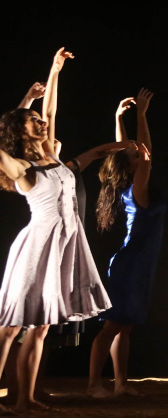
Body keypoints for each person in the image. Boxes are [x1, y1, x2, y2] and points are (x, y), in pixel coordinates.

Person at [0, 48, 113, 412]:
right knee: (11, 326)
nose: (42, 122)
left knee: (42, 326)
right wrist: (23, 103)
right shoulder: (21, 166)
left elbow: (51, 110)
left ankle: (26, 398)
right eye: (32, 120)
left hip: (65, 244)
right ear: (21, 129)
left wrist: (55, 69)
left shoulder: (53, 155)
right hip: (37, 245)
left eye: (40, 118)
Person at [88, 88, 166, 398]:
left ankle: (121, 383)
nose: (142, 154)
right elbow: (142, 149)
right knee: (111, 326)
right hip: (129, 266)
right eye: (136, 156)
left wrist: (118, 119)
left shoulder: (135, 184)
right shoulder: (138, 188)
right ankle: (94, 384)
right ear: (133, 166)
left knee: (125, 327)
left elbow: (133, 150)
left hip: (139, 265)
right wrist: (141, 115)